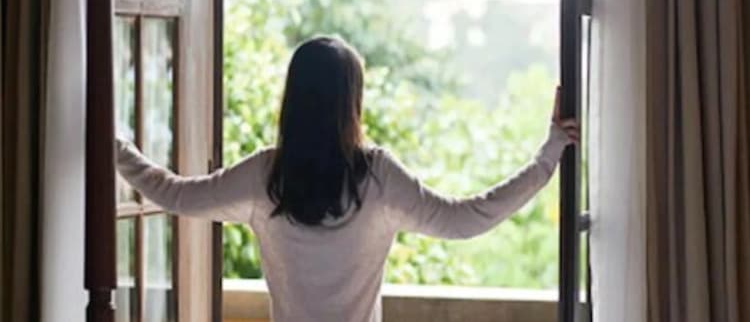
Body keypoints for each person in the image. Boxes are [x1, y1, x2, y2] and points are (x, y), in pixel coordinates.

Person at [117, 35, 579, 322]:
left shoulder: (266, 175)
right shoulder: (377, 177)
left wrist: (115, 146)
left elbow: (173, 193)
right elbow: (465, 219)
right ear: (350, 103)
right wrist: (548, 155)